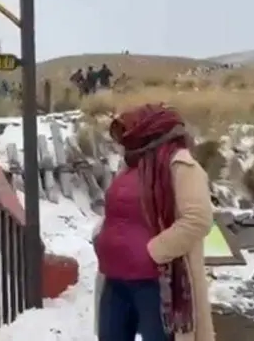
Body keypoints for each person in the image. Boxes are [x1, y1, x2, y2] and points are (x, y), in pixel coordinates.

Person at [93, 104, 214, 341]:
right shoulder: (131, 163)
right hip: (115, 278)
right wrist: (101, 237)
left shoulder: (179, 164)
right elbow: (118, 211)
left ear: (147, 130)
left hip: (155, 283)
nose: (123, 141)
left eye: (128, 133)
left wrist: (152, 253)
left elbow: (198, 219)